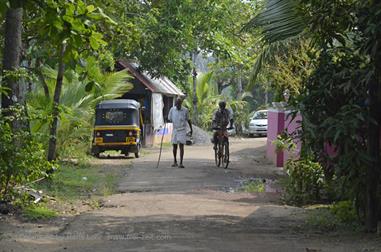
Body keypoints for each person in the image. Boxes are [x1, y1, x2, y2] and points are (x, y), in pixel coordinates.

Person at [168, 97, 193, 168]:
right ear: (175, 103)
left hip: (182, 130)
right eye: (177, 103)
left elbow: (188, 120)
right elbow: (169, 118)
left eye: (179, 103)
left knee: (181, 146)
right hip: (175, 130)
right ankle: (175, 161)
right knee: (174, 146)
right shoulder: (172, 110)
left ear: (181, 103)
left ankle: (181, 163)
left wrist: (191, 129)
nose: (178, 105)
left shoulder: (185, 110)